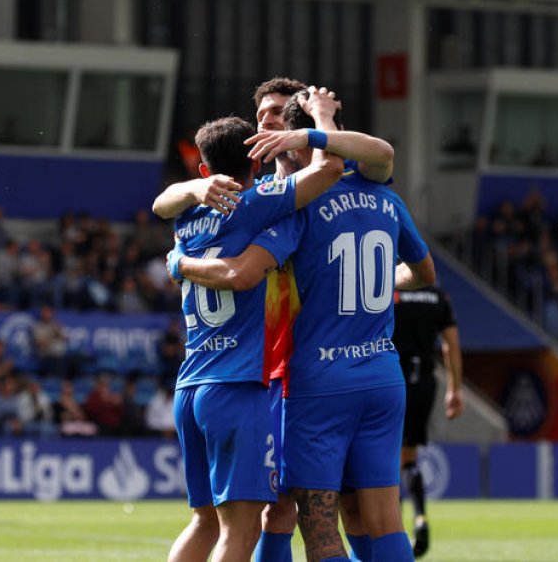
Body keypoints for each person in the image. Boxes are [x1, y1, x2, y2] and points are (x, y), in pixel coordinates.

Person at [174, 91, 436, 562]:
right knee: (354, 515)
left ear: (296, 138)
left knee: (312, 521)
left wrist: (180, 260)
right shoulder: (380, 196)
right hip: (358, 372)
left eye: (276, 119)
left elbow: (238, 269)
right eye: (260, 119)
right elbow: (423, 271)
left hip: (304, 377)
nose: (266, 127)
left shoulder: (286, 204)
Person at [164, 100, 343, 562]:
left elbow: (161, 203)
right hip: (237, 387)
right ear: (256, 159)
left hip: (190, 383)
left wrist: (181, 250)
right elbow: (327, 173)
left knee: (203, 523)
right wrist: (317, 126)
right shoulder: (259, 204)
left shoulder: (186, 217)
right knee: (240, 533)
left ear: (205, 168)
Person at [391, 285, 464, 558]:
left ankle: (392, 531)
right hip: (424, 383)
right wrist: (455, 389)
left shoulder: (390, 292)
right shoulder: (437, 296)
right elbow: (450, 344)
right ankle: (420, 517)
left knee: (388, 458)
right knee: (410, 456)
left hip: (392, 379)